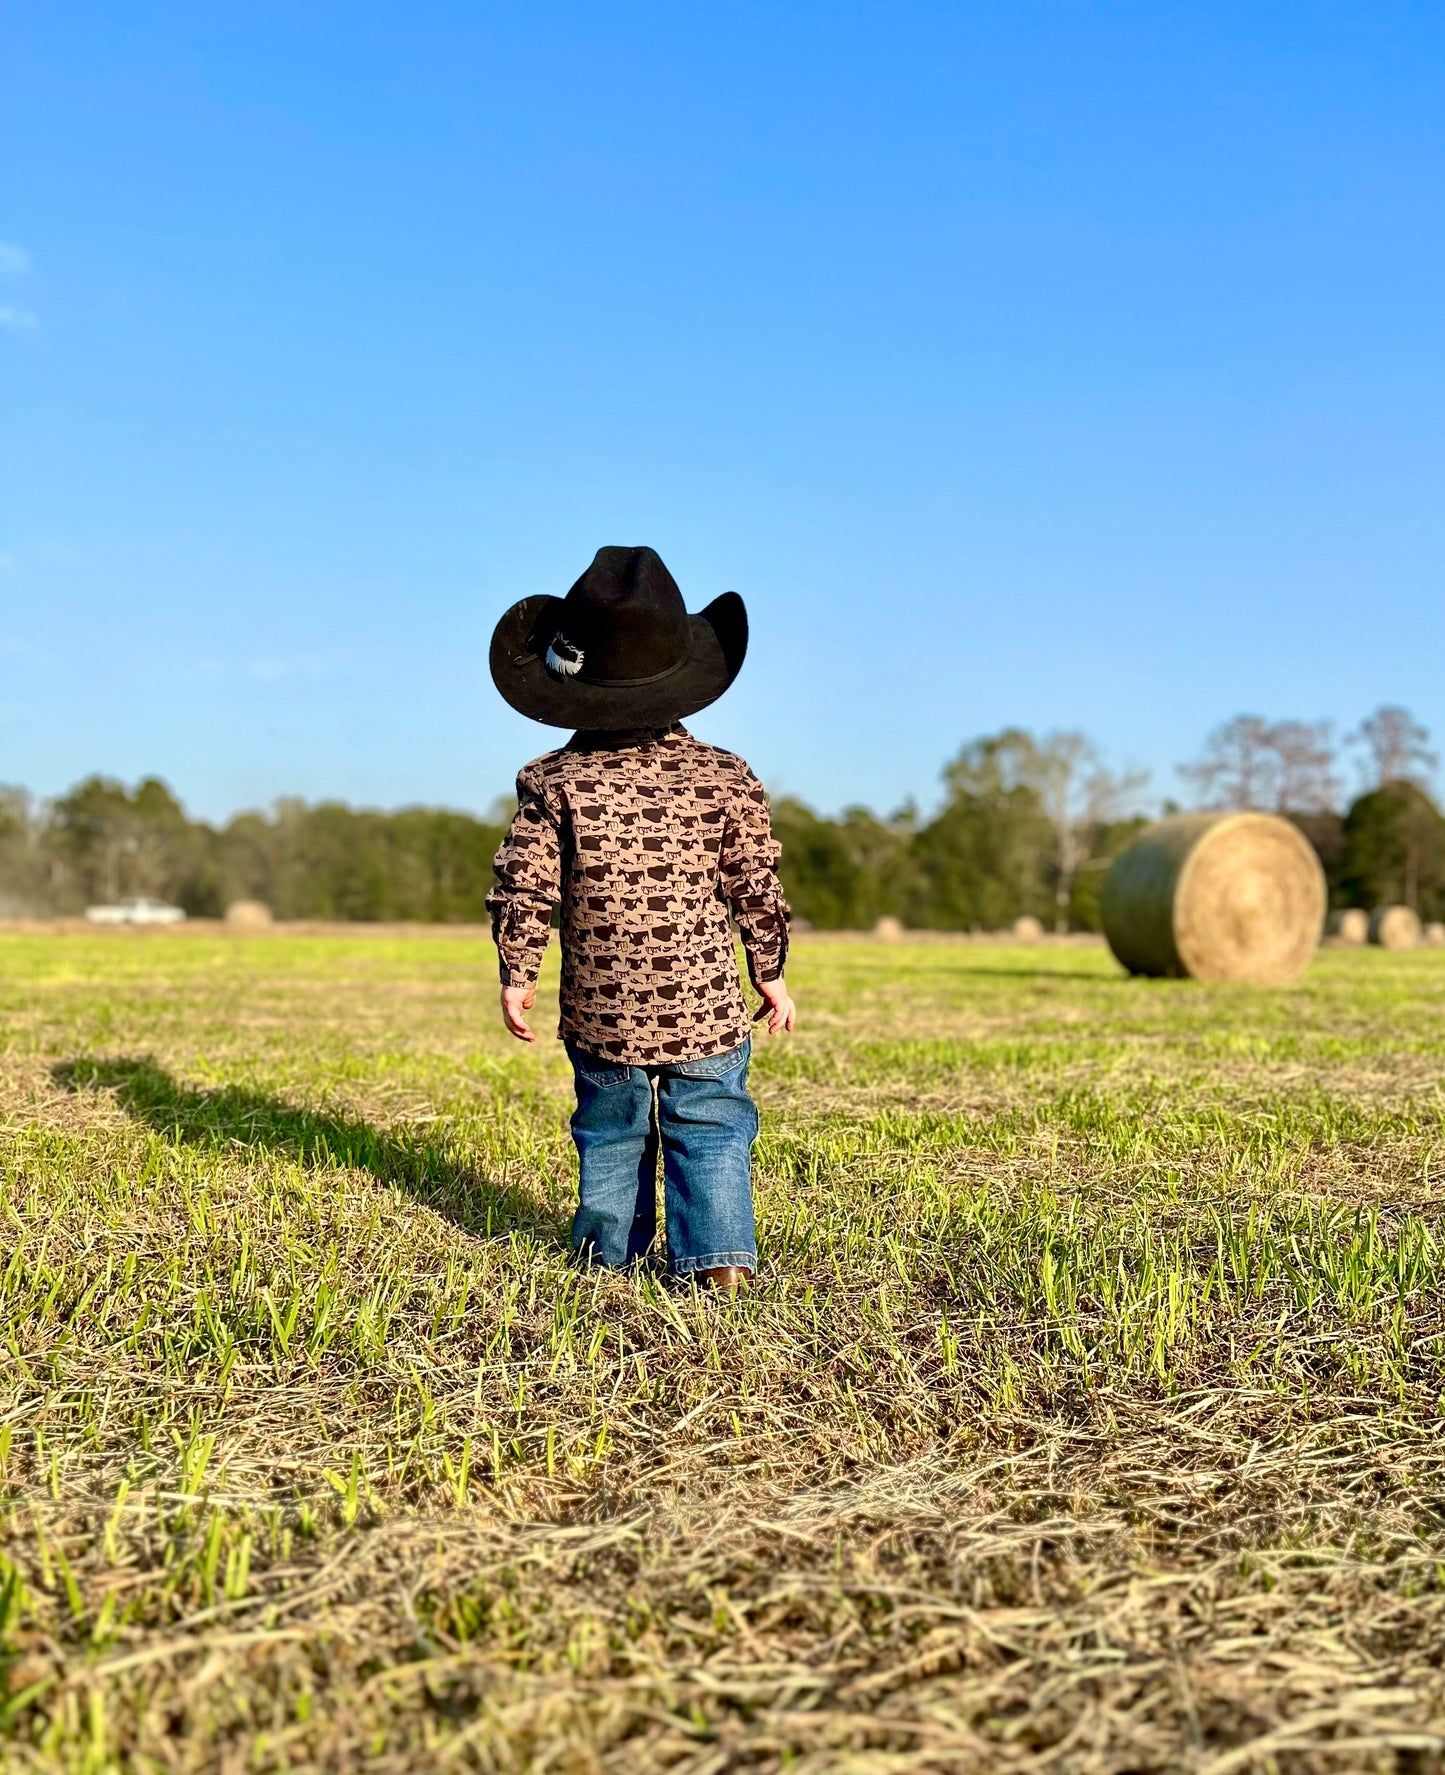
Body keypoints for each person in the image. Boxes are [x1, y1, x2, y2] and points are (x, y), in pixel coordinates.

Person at [486, 545, 794, 1290]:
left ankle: (605, 1261)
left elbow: (524, 884)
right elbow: (755, 880)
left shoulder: (553, 780)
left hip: (602, 1009)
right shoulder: (725, 775)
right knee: (712, 1126)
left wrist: (516, 970)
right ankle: (717, 1261)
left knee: (611, 1133)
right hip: (704, 1007)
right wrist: (772, 970)